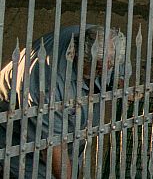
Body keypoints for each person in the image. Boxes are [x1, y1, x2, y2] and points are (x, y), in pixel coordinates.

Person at [0, 25, 127, 178]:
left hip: (68, 131)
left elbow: (118, 75)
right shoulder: (46, 83)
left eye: (110, 67)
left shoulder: (108, 42)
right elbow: (52, 146)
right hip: (17, 138)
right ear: (79, 56)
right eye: (99, 69)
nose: (104, 73)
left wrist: (119, 83)